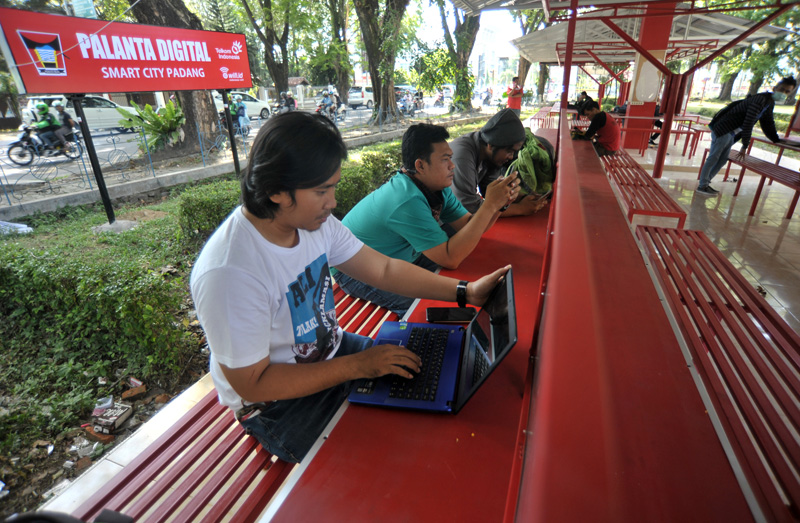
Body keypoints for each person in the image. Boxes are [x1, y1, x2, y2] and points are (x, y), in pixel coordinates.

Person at [190, 112, 510, 464]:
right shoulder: (230, 272)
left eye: (333, 187)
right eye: (321, 190)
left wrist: (465, 292)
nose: (333, 202)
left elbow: (384, 269)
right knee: (393, 454)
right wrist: (360, 365)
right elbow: (253, 383)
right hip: (278, 405)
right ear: (276, 191)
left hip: (334, 352)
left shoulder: (313, 224)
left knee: (432, 386)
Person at [336, 123, 519, 316]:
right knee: (427, 307)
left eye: (451, 157)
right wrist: (489, 205)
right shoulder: (406, 200)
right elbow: (451, 259)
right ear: (420, 165)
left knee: (461, 275)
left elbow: (470, 225)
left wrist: (500, 204)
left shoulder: (436, 188)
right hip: (353, 269)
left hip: (400, 256)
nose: (452, 165)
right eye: (445, 159)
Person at [696, 76, 797, 195]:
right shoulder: (760, 100)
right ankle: (702, 186)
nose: (783, 93)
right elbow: (748, 122)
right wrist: (744, 146)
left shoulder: (768, 102)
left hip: (730, 133)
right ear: (775, 88)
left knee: (722, 159)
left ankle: (705, 183)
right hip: (724, 130)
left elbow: (768, 122)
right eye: (782, 89)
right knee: (714, 158)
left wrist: (776, 139)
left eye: (787, 91)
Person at [450, 108, 549, 216]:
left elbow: (490, 191)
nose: (511, 157)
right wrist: (521, 209)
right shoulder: (462, 158)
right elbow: (470, 208)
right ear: (491, 145)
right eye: (509, 151)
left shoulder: (491, 155)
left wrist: (523, 197)